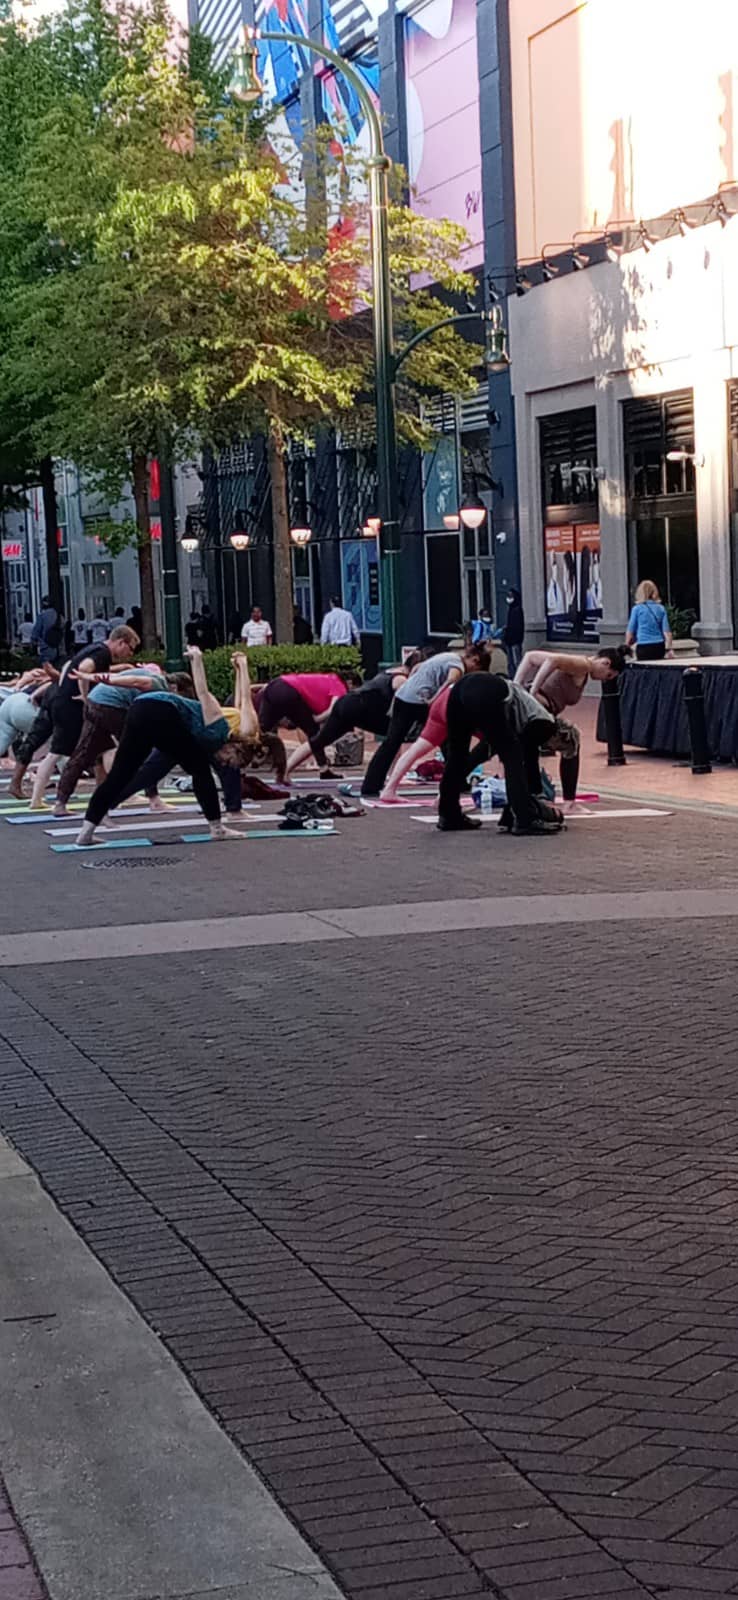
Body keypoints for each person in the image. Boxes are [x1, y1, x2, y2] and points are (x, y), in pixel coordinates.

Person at [76, 648, 282, 846]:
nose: (223, 762)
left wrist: (197, 659)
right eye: (229, 760)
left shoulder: (214, 739)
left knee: (120, 774)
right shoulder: (217, 723)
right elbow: (202, 690)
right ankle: (217, 828)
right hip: (161, 711)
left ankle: (86, 832)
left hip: (138, 710)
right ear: (234, 747)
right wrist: (197, 660)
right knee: (201, 771)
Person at [29, 625, 140, 809]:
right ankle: (122, 793)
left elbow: (73, 667)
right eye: (130, 648)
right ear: (121, 642)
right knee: (64, 753)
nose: (130, 653)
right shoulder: (102, 652)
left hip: (62, 702)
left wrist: (120, 668)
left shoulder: (95, 648)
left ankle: (108, 794)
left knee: (99, 748)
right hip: (72, 706)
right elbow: (84, 668)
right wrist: (85, 695)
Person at [437, 673, 558, 836]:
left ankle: (448, 814)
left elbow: (486, 749)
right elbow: (528, 759)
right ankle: (524, 820)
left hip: (460, 690)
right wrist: (534, 796)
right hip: (487, 691)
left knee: (456, 754)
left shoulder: (528, 711)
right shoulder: (547, 724)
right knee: (513, 756)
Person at [515, 645, 628, 811]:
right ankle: (568, 802)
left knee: (529, 748)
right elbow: (551, 660)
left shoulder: (579, 664)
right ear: (605, 662)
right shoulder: (583, 665)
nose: (605, 680)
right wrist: (532, 691)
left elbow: (530, 656)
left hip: (535, 711)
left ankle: (535, 795)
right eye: (609, 675)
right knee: (571, 741)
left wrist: (517, 685)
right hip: (539, 711)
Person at [52, 661, 170, 815]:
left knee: (84, 752)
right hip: (112, 706)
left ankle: (61, 803)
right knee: (141, 751)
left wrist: (88, 678)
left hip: (94, 701)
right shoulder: (159, 684)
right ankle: (154, 799)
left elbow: (119, 680)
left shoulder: (137, 673)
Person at [360, 646, 475, 798]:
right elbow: (450, 681)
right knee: (446, 739)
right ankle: (458, 782)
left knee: (391, 741)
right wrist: (434, 700)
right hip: (420, 700)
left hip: (403, 696)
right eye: (476, 666)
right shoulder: (458, 666)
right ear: (474, 659)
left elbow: (417, 668)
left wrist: (412, 683)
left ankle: (370, 785)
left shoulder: (445, 656)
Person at [284, 661, 418, 780]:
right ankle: (392, 776)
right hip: (357, 708)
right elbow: (400, 704)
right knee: (395, 736)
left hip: (346, 703)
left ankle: (285, 770)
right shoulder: (401, 679)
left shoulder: (390, 671)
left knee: (319, 741)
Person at [256, 670, 358, 762]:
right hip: (290, 690)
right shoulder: (340, 686)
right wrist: (317, 719)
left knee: (263, 729)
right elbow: (332, 709)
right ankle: (323, 767)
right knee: (313, 731)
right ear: (349, 682)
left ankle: (247, 757)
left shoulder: (329, 678)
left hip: (275, 684)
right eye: (354, 689)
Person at [625, 580, 673, 661]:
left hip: (643, 646)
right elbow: (667, 632)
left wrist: (627, 646)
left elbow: (630, 631)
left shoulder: (637, 609)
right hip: (659, 646)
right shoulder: (661, 608)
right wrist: (669, 648)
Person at [31, 597, 63, 665]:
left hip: (46, 647)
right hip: (59, 648)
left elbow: (36, 632)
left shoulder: (42, 616)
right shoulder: (59, 616)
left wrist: (33, 643)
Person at [500, 588, 525, 675]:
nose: (509, 598)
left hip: (515, 640)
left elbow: (518, 627)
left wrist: (517, 639)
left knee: (516, 661)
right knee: (510, 662)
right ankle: (512, 676)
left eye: (511, 596)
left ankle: (519, 677)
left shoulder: (517, 610)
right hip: (509, 640)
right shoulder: (511, 609)